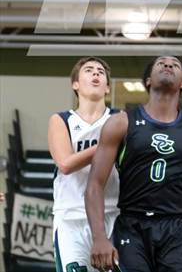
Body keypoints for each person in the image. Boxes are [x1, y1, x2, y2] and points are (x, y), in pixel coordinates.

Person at [85, 56, 182, 272]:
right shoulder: (120, 123)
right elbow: (94, 185)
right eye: (160, 63)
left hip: (178, 230)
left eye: (175, 64)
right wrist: (99, 238)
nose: (168, 65)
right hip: (132, 226)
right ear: (148, 81)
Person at [48, 56, 120, 272]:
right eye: (89, 70)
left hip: (112, 214)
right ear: (75, 84)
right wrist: (107, 144)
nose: (96, 73)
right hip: (71, 216)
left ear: (108, 87)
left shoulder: (120, 118)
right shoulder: (61, 120)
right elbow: (66, 164)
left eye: (101, 72)